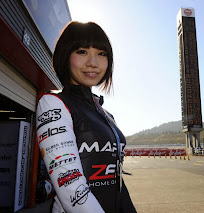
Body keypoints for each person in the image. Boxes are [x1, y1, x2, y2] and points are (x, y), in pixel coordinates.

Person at [36, 21, 137, 213]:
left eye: (101, 54)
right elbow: (70, 186)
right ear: (66, 55)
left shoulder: (107, 115)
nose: (93, 62)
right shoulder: (53, 104)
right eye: (82, 51)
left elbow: (118, 183)